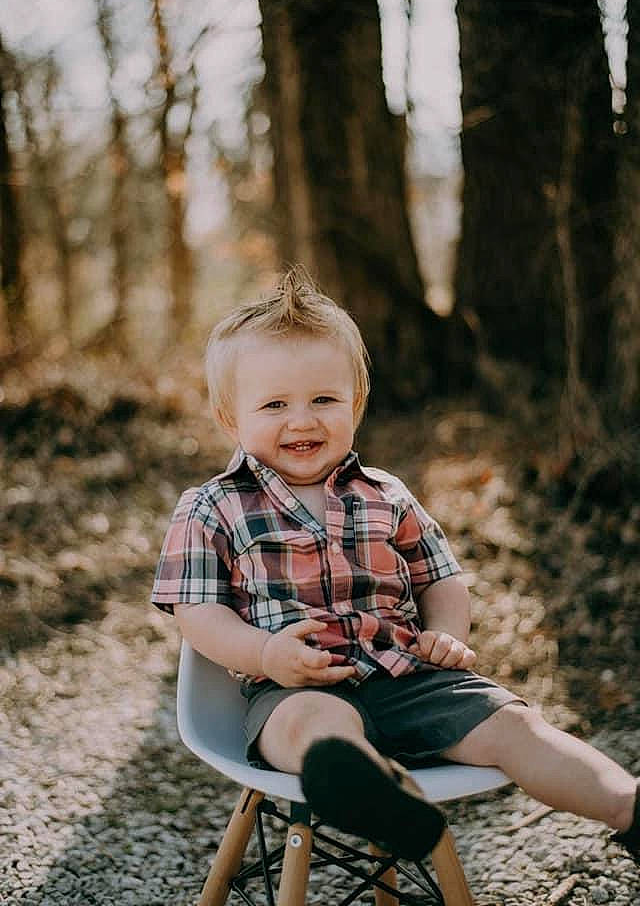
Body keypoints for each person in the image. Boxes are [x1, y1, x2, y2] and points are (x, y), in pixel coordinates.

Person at [152, 266, 639, 863]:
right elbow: (196, 612)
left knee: (517, 725)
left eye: (323, 400)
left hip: (410, 679)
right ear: (232, 418)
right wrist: (263, 654)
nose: (302, 420)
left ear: (356, 404)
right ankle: (377, 792)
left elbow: (440, 575)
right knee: (313, 730)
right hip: (296, 685)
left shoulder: (385, 493)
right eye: (275, 403)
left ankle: (628, 805)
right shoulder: (213, 505)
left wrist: (445, 636)